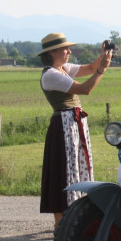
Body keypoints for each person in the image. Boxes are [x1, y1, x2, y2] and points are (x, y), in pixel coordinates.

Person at [38, 32, 112, 228]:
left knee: (76, 168)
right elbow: (85, 89)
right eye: (65, 48)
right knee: (64, 169)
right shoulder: (51, 75)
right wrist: (101, 71)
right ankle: (61, 221)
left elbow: (89, 68)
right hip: (64, 125)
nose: (69, 51)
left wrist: (103, 56)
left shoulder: (62, 69)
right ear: (52, 52)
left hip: (72, 123)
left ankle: (74, 216)